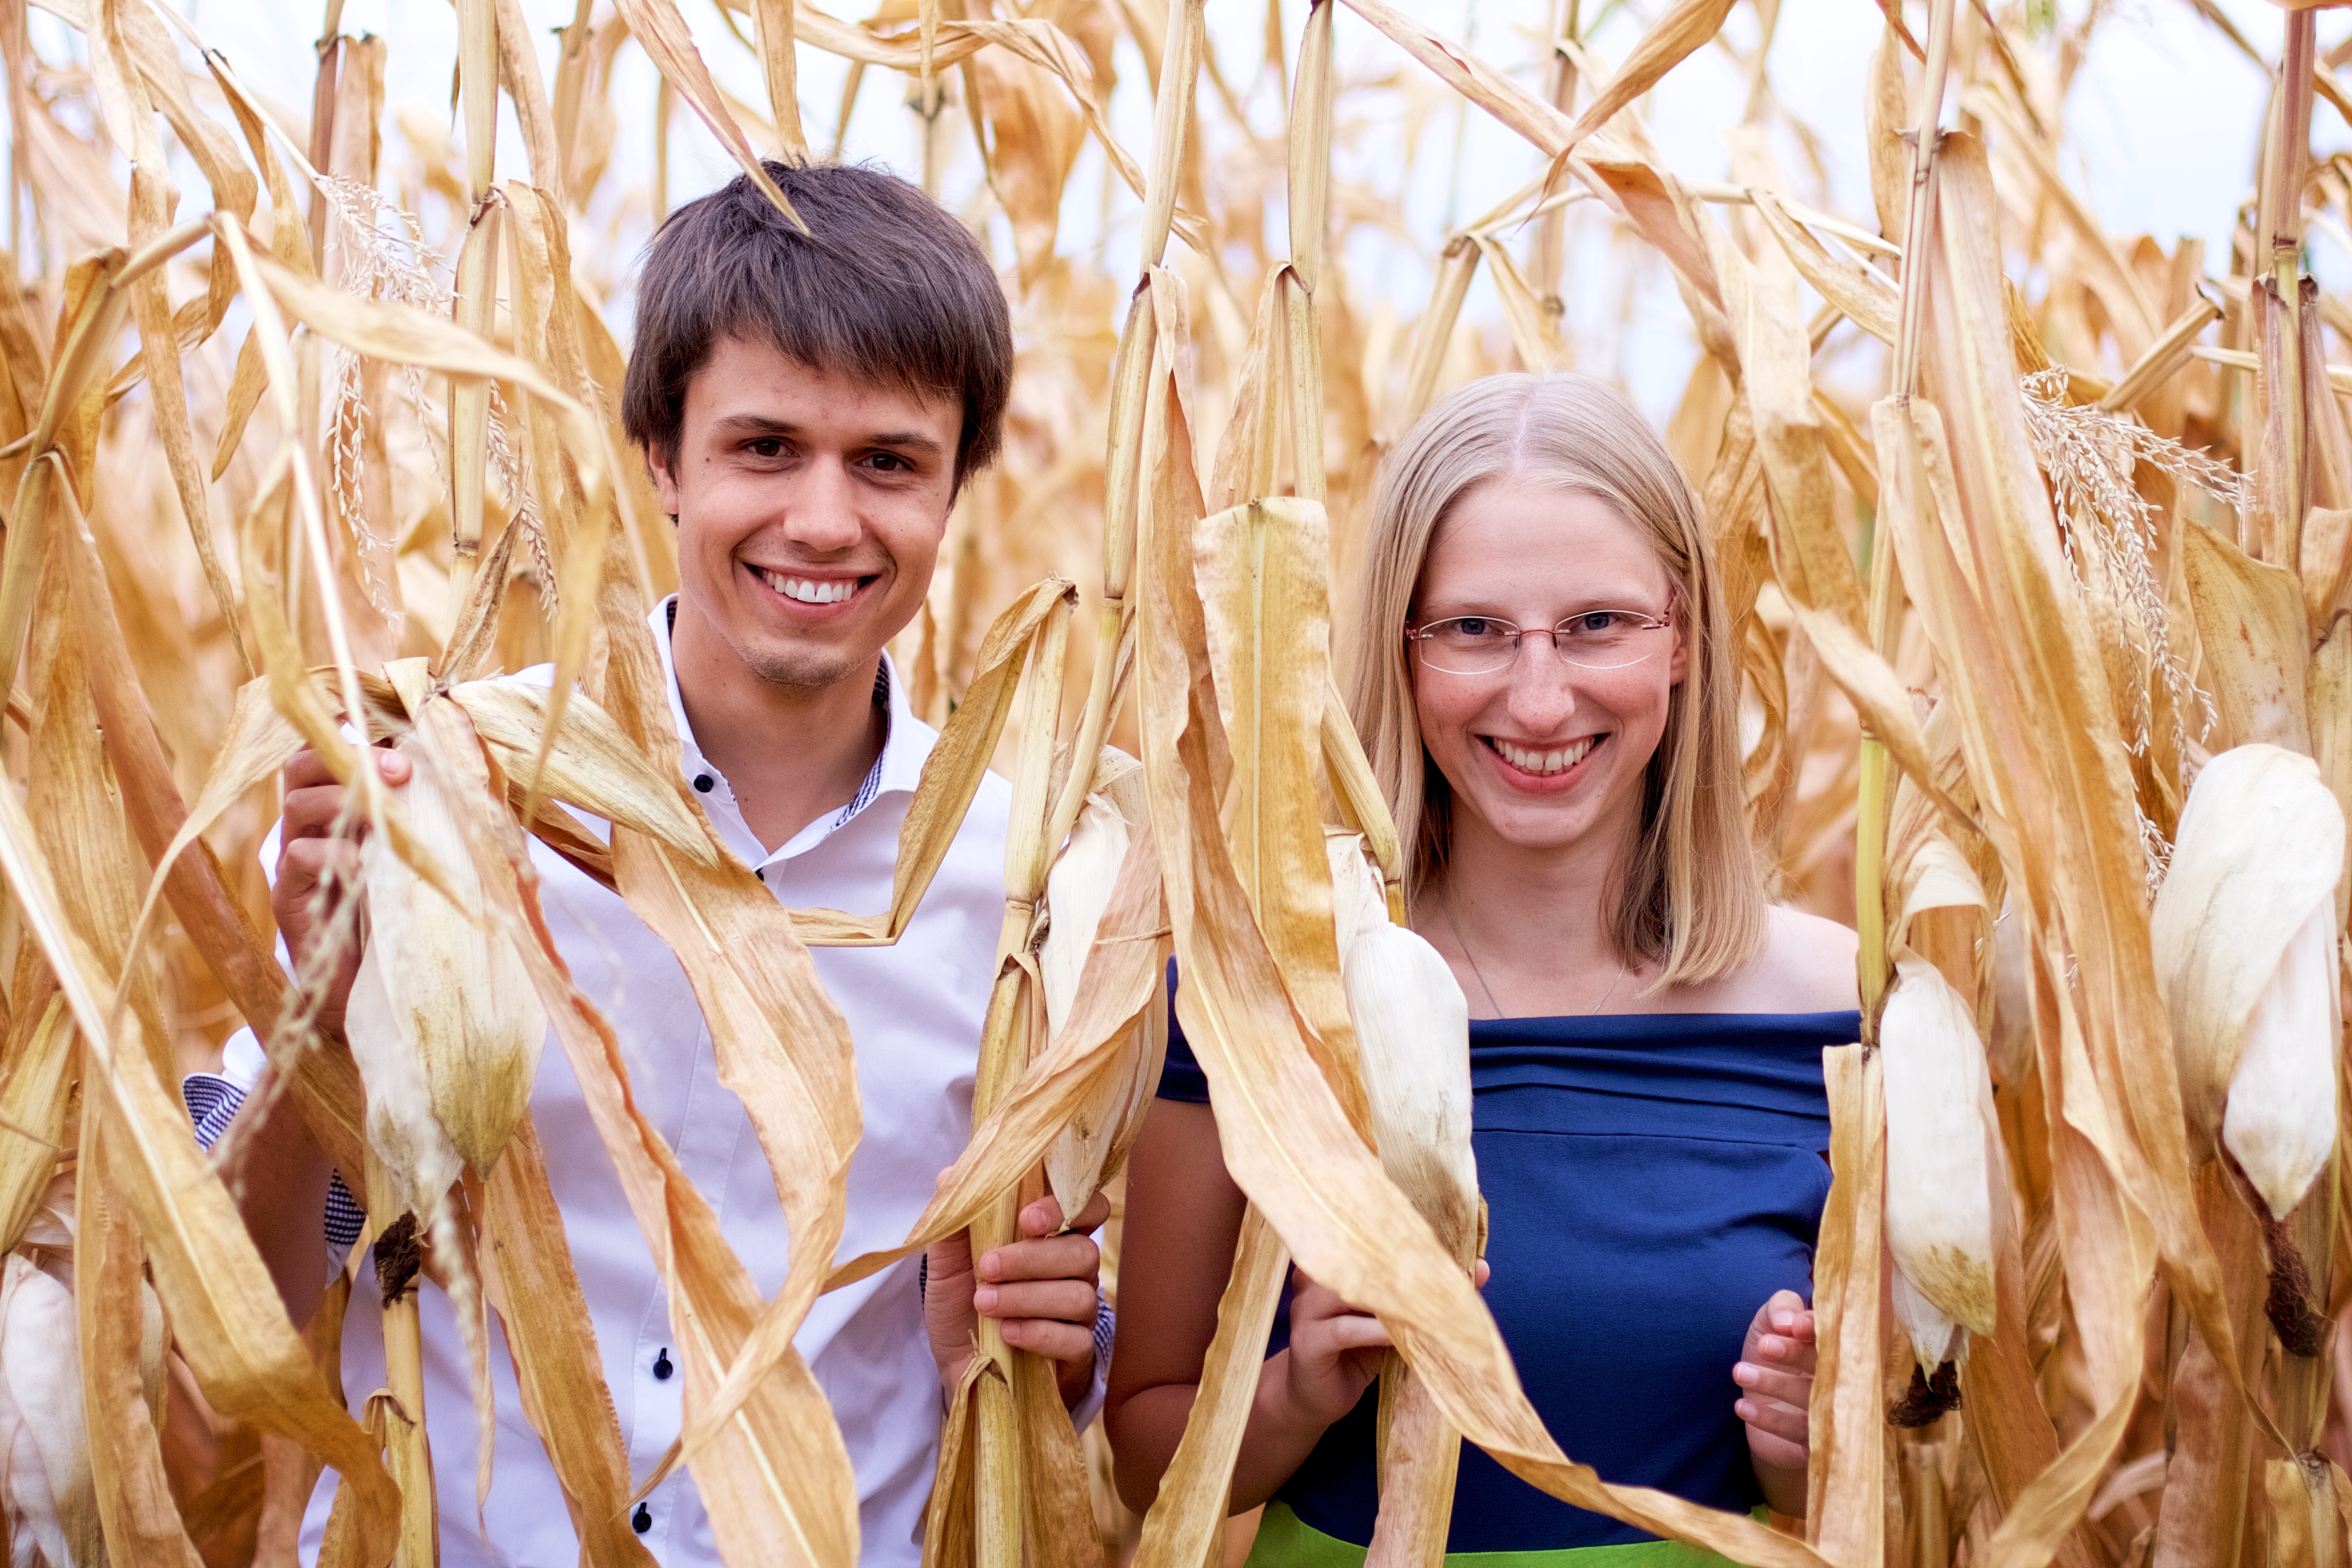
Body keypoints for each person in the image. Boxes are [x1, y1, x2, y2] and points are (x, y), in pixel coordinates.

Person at [186, 160, 1113, 1567]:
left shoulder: (1029, 883)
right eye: (765, 448)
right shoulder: (431, 797)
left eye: (887, 462)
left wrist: (1057, 1337)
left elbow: (1046, 1358)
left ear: (957, 487)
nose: (824, 519)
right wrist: (311, 1009)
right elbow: (228, 1322)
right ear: (664, 461)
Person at [1104, 372, 1861, 1564]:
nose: (1541, 698)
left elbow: (1925, 1457)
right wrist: (1298, 1392)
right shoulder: (1261, 999)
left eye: (1598, 623)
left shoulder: (1839, 1015)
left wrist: (1807, 1451)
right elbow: (1149, 1453)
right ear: (1401, 653)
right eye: (1474, 630)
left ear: (1683, 638)